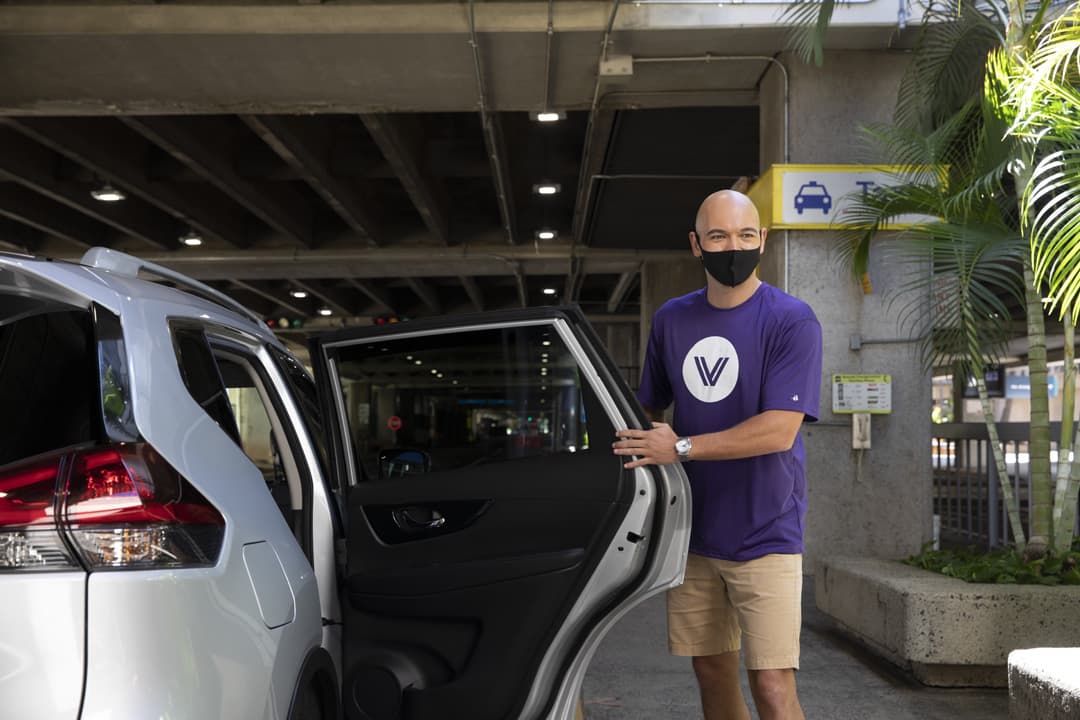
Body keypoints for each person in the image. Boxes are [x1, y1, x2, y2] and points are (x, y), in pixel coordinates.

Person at [612, 190, 822, 720]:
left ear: (763, 241)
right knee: (710, 672)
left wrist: (679, 446)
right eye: (720, 236)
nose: (735, 246)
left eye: (746, 235)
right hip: (695, 534)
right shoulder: (671, 319)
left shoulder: (792, 320)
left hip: (767, 532)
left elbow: (778, 431)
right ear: (696, 245)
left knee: (772, 684)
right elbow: (646, 410)